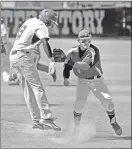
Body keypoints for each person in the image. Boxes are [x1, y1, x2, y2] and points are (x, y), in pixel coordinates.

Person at [8, 9, 61, 131]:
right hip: (22, 55)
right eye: (51, 22)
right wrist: (51, 60)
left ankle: (36, 121)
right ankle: (46, 119)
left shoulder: (31, 20)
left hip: (15, 55)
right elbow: (44, 42)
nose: (51, 25)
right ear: (46, 19)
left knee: (28, 90)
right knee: (38, 87)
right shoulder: (41, 25)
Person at [62, 29, 122, 136]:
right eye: (83, 40)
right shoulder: (72, 51)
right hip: (82, 81)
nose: (86, 43)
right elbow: (67, 67)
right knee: (79, 105)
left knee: (108, 103)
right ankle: (76, 129)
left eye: (89, 40)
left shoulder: (93, 51)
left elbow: (85, 66)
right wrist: (66, 77)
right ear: (78, 40)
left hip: (97, 81)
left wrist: (68, 61)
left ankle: (113, 122)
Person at [1, 17, 20, 85]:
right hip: (5, 47)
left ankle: (13, 78)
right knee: (5, 67)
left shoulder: (1, 25)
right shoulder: (2, 25)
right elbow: (4, 35)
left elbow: (4, 35)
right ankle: (16, 77)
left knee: (4, 69)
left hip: (4, 47)